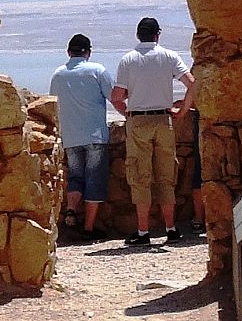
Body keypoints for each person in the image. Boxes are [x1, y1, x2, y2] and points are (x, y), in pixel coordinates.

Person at [109, 15, 191, 248]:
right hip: (164, 119)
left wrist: (126, 112)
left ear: (138, 35)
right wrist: (183, 110)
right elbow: (192, 83)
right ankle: (171, 229)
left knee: (140, 176)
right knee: (166, 175)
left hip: (139, 121)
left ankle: (143, 232)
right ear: (158, 35)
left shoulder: (128, 60)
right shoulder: (169, 56)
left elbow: (116, 96)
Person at [47, 33, 114, 241]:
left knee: (75, 177)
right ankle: (88, 228)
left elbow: (52, 104)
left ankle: (71, 210)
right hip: (95, 136)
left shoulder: (58, 74)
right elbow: (115, 96)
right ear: (88, 52)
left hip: (70, 136)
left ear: (69, 52)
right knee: (94, 179)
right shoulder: (97, 70)